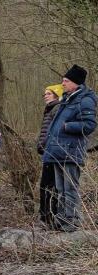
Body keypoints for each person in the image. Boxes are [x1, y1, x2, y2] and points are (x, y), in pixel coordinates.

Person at [43, 65, 97, 232]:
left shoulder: (84, 100)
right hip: (59, 151)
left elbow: (89, 125)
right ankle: (62, 219)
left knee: (70, 188)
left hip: (71, 152)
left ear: (75, 82)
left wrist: (67, 126)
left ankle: (72, 221)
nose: (63, 83)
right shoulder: (67, 99)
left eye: (66, 81)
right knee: (60, 188)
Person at [37, 84, 63, 228]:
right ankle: (46, 216)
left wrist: (44, 145)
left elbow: (51, 132)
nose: (45, 96)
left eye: (48, 93)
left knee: (49, 186)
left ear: (56, 94)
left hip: (53, 153)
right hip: (47, 153)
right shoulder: (49, 109)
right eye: (45, 94)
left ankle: (49, 217)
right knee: (46, 186)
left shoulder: (56, 108)